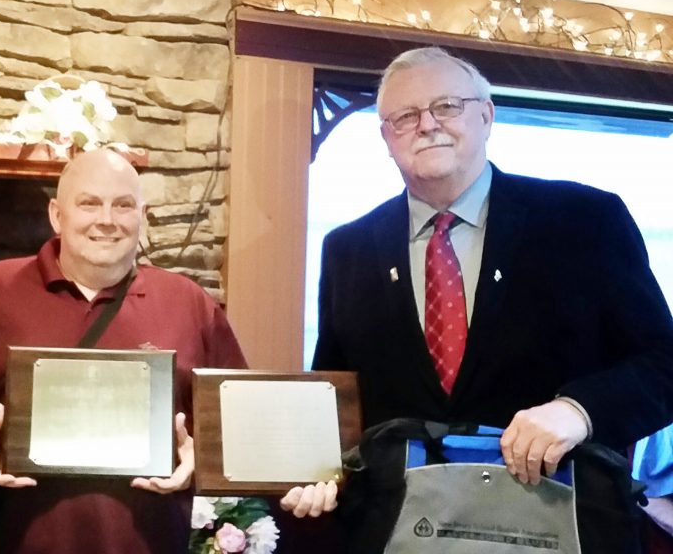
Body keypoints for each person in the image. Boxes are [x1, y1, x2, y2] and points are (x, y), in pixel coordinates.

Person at [283, 46, 673, 524]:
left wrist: (580, 410)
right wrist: (315, 469)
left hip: (554, 521)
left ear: (486, 116)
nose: (427, 125)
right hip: (397, 529)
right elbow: (337, 399)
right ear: (386, 137)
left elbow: (663, 364)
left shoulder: (586, 220)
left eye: (446, 106)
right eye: (405, 116)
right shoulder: (349, 248)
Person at [0, 148, 248, 554]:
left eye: (123, 205)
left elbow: (233, 415)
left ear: (143, 216)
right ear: (56, 215)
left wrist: (199, 453)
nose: (107, 219)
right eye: (89, 203)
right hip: (3, 540)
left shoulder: (189, 304)